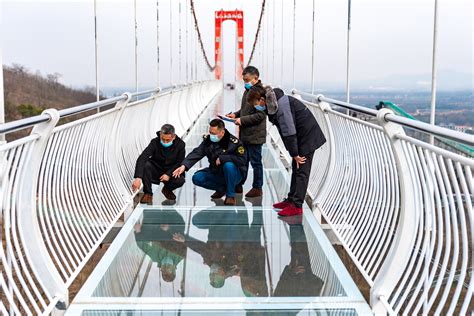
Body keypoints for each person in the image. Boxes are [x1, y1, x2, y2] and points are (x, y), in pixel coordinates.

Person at [246, 85, 326, 216]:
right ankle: (291, 200)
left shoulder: (281, 106)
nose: (256, 107)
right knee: (296, 168)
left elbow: (289, 132)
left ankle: (296, 206)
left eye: (256, 104)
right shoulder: (274, 104)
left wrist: (294, 153)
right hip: (301, 137)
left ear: (262, 100)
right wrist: (293, 153)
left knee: (302, 171)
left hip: (307, 137)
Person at [172, 119, 247, 206]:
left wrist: (224, 158)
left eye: (214, 133)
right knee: (197, 178)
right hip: (216, 172)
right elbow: (197, 152)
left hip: (235, 174)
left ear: (222, 132)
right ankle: (222, 188)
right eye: (210, 132)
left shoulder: (234, 143)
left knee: (228, 165)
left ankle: (230, 195)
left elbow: (242, 160)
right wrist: (184, 166)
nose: (211, 135)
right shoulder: (208, 141)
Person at [226, 66, 266, 198]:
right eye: (243, 80)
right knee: (242, 161)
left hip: (254, 136)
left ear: (256, 78)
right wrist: (235, 114)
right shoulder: (248, 91)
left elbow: (260, 115)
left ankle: (257, 188)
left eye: (247, 80)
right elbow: (246, 109)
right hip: (245, 135)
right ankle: (239, 184)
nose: (245, 82)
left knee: (255, 163)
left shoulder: (260, 93)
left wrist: (241, 120)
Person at [132, 124, 186, 204]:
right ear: (160, 134)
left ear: (173, 137)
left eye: (167, 140)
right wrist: (138, 177)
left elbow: (179, 162)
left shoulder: (180, 144)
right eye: (163, 139)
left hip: (172, 170)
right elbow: (143, 157)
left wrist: (168, 174)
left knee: (180, 180)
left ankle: (167, 189)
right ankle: (148, 193)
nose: (164, 142)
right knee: (147, 164)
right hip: (157, 168)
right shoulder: (155, 142)